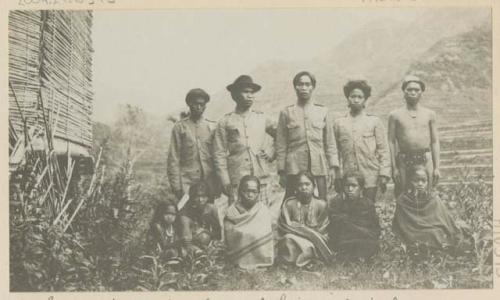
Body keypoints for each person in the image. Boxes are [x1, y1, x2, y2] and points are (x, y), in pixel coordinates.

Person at [276, 71, 339, 202]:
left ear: (313, 87)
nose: (304, 87)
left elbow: (330, 142)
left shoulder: (322, 111)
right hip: (294, 167)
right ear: (295, 87)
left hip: (318, 166)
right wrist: (282, 171)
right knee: (291, 201)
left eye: (307, 84)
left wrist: (333, 166)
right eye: (300, 84)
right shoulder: (286, 112)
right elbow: (281, 144)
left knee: (321, 201)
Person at [213, 75, 276, 205]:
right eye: (245, 92)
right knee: (237, 219)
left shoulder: (262, 118)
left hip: (261, 179)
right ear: (235, 95)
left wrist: (271, 152)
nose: (250, 96)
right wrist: (225, 181)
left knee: (262, 217)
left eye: (252, 92)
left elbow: (282, 135)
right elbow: (218, 154)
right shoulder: (225, 121)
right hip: (237, 181)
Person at [334, 80, 390, 202]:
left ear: (365, 100)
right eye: (353, 96)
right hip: (349, 175)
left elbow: (384, 150)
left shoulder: (374, 122)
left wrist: (384, 174)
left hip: (370, 175)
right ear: (347, 98)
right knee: (350, 207)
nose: (356, 100)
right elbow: (335, 152)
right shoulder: (339, 124)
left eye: (360, 97)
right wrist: (337, 175)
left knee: (369, 207)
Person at [392, 165, 470, 252]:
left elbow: (443, 220)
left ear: (428, 182)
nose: (420, 184)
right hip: (412, 231)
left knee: (435, 233)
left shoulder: (433, 198)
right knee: (422, 237)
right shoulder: (403, 200)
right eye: (416, 181)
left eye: (423, 181)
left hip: (432, 229)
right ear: (410, 181)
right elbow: (401, 225)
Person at [388, 75, 440, 196]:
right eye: (409, 89)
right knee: (403, 194)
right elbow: (391, 141)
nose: (413, 92)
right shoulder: (395, 115)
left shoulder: (430, 114)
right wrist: (394, 168)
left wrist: (437, 167)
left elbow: (434, 141)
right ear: (404, 92)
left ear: (422, 92)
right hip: (404, 160)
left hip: (425, 159)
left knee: (427, 194)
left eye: (416, 90)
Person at [167, 88, 219, 202]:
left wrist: (218, 184)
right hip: (187, 183)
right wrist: (177, 187)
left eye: (202, 104)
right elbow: (173, 159)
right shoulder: (180, 127)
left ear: (205, 106)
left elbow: (218, 155)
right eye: (195, 104)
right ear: (189, 104)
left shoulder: (212, 127)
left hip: (209, 183)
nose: (199, 107)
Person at [277, 171, 333, 267]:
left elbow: (324, 228)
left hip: (315, 241)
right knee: (287, 239)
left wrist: (309, 234)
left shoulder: (321, 204)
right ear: (295, 188)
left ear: (314, 186)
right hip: (294, 240)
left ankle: (306, 258)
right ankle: (303, 259)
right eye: (300, 185)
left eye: (307, 184)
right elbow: (284, 226)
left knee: (311, 245)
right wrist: (302, 233)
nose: (304, 188)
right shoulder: (289, 204)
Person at [224, 175, 274, 269]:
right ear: (240, 192)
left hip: (260, 251)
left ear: (259, 193)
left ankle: (260, 260)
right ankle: (241, 260)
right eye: (246, 191)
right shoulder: (231, 211)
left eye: (254, 192)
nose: (250, 195)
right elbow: (230, 233)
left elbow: (266, 232)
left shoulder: (263, 210)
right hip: (238, 253)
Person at [328, 171, 381, 259]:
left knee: (371, 245)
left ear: (361, 188)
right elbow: (334, 226)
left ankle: (352, 255)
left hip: (362, 239)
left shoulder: (367, 204)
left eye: (354, 186)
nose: (350, 189)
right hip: (343, 239)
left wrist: (353, 226)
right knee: (339, 243)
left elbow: (375, 229)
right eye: (347, 186)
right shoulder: (337, 203)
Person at [178, 182, 222, 253]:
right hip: (189, 240)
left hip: (204, 239)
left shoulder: (211, 208)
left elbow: (218, 234)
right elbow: (186, 240)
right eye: (197, 196)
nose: (200, 200)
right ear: (193, 197)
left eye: (204, 196)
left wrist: (204, 230)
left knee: (205, 237)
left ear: (208, 197)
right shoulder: (186, 212)